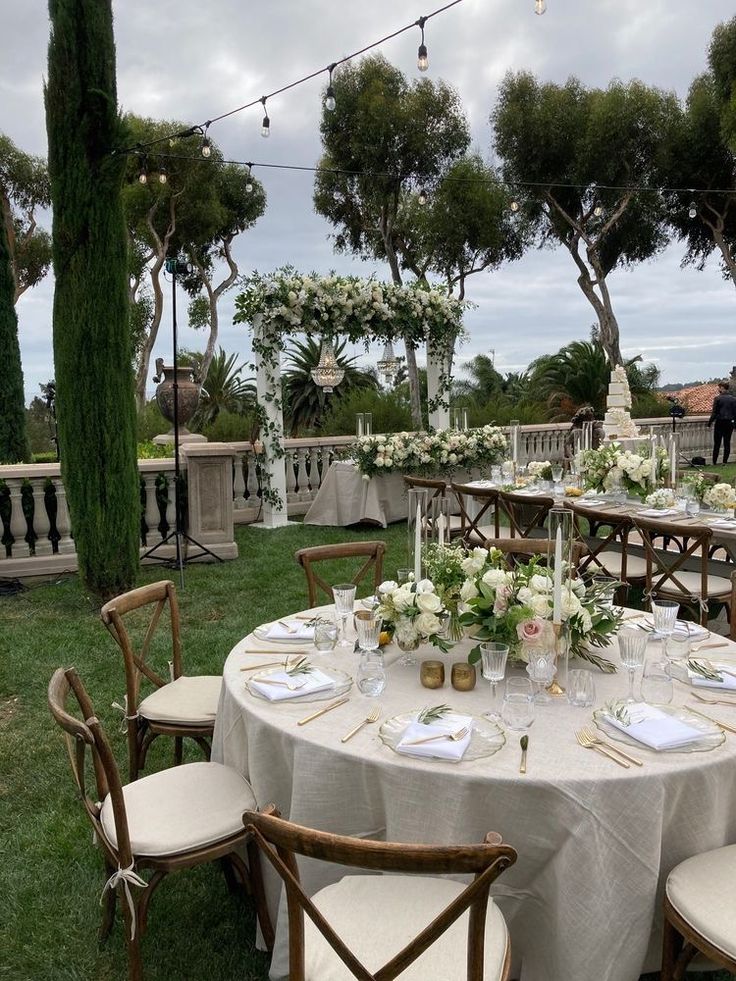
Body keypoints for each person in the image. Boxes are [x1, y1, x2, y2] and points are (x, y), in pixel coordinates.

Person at [707, 381, 736, 465]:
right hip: (729, 423)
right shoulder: (733, 399)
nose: (718, 389)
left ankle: (714, 462)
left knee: (717, 443)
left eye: (719, 388)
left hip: (720, 422)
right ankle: (725, 462)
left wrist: (709, 423)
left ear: (722, 388)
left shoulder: (717, 398)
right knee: (727, 442)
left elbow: (714, 413)